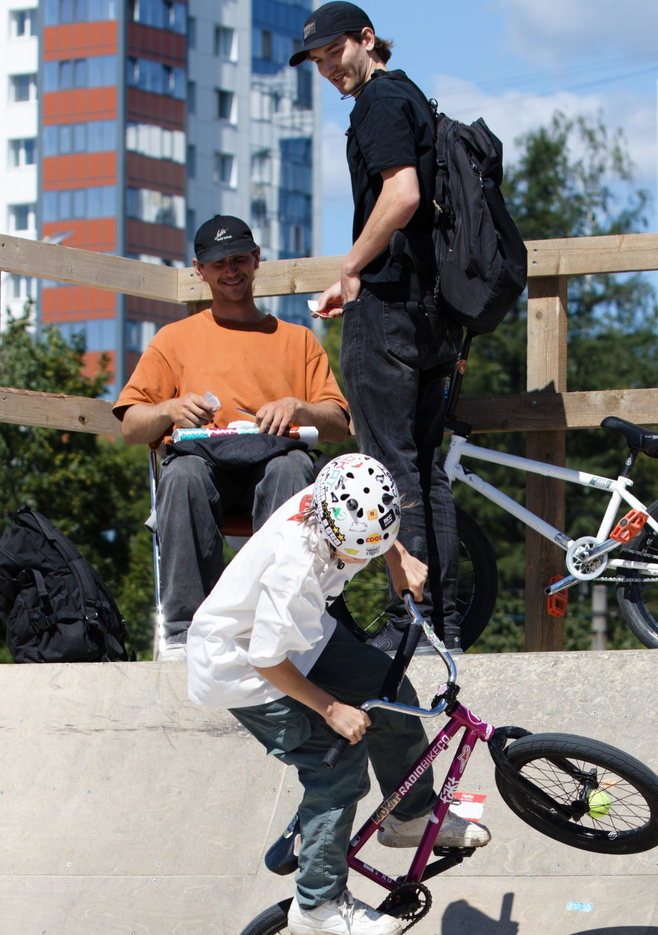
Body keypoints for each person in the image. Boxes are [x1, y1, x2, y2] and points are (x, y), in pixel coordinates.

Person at [185, 452, 490, 935]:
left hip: (299, 637)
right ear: (327, 530)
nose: (356, 562)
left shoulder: (345, 491)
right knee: (339, 763)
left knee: (389, 694)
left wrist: (397, 557)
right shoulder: (294, 566)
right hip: (243, 666)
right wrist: (330, 709)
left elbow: (374, 524)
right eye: (352, 554)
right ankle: (318, 901)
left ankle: (408, 815)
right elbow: (266, 658)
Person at [297, 4, 465, 651]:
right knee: (426, 469)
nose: (328, 71)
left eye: (334, 55)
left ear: (366, 40)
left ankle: (411, 627)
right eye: (316, 63)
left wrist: (351, 267)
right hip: (432, 313)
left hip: (391, 312)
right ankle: (440, 624)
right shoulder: (415, 99)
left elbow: (402, 196)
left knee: (389, 470)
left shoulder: (378, 102)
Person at [117, 213, 353, 644]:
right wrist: (170, 407)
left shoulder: (297, 339)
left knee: (292, 470)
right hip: (204, 467)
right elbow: (132, 427)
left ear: (256, 259)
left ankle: (280, 621)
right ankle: (183, 632)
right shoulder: (174, 339)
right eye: (218, 262)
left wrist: (299, 407)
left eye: (239, 258)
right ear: (199, 269)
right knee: (182, 476)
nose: (231, 270)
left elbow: (339, 424)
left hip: (274, 464)